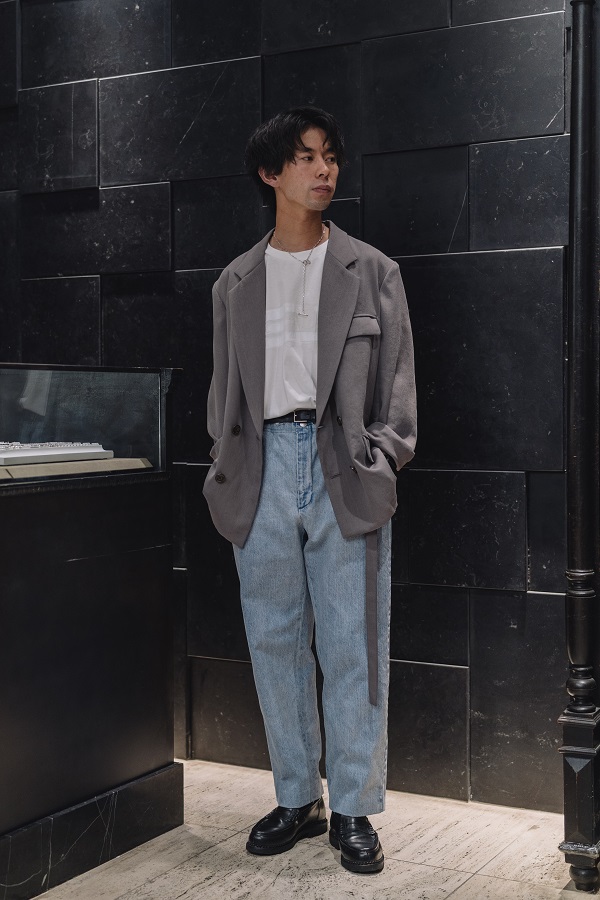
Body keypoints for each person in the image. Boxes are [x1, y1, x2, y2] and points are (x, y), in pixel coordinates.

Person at [203, 106, 416, 874]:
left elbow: (398, 387)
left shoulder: (372, 270)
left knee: (353, 641)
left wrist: (380, 457)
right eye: (305, 157)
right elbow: (224, 392)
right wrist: (225, 463)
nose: (324, 169)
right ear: (271, 173)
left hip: (341, 468)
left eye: (329, 156)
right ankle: (297, 796)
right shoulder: (236, 281)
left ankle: (353, 806)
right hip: (259, 468)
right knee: (274, 640)